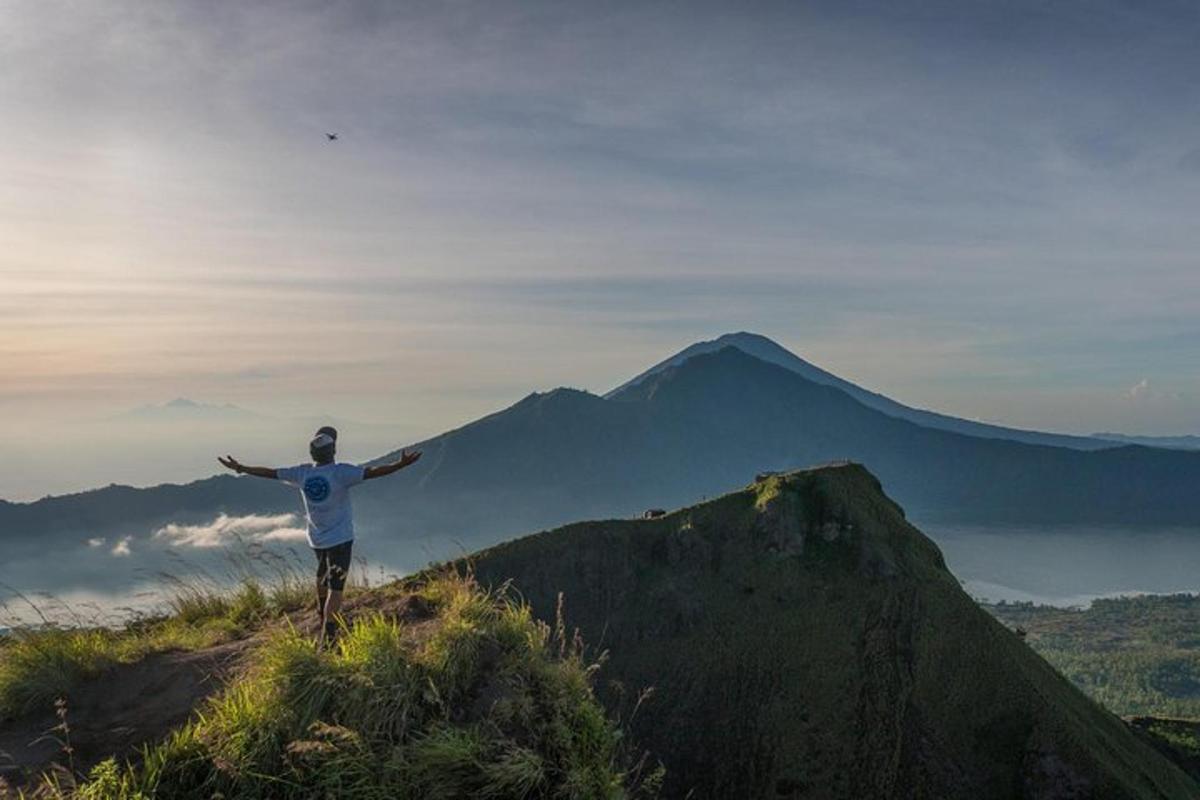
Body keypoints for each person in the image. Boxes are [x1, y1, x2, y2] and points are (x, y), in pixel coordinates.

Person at [218, 426, 421, 647]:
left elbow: (270, 472)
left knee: (322, 573)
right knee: (337, 588)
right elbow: (373, 472)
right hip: (340, 539)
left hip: (317, 538)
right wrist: (401, 465)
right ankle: (330, 636)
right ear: (333, 450)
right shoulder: (341, 473)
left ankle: (322, 611)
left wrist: (240, 467)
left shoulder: (302, 473)